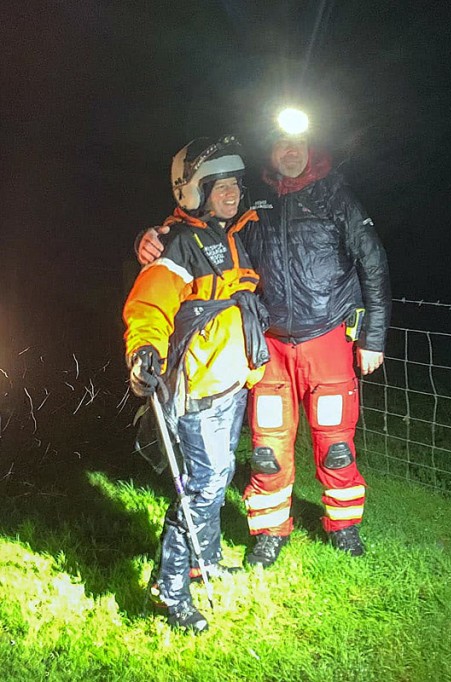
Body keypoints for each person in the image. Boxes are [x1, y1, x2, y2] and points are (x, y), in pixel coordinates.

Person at [137, 109, 391, 566]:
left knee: (334, 444)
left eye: (298, 144)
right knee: (268, 447)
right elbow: (200, 221)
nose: (290, 153)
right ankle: (271, 531)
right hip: (268, 343)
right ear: (271, 151)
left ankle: (344, 526)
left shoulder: (337, 195)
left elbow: (373, 263)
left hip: (327, 336)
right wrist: (154, 235)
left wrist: (373, 336)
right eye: (280, 145)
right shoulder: (251, 197)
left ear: (310, 146)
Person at [124, 135, 268, 632]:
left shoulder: (233, 235)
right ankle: (172, 589)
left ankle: (204, 561)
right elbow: (149, 304)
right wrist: (144, 349)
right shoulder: (179, 242)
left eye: (234, 184)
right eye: (218, 185)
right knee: (201, 490)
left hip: (232, 384)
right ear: (194, 191)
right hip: (199, 388)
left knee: (216, 479)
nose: (230, 193)